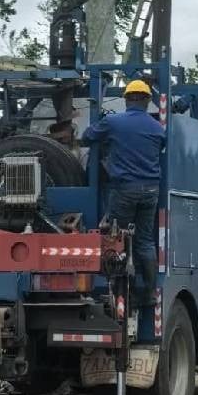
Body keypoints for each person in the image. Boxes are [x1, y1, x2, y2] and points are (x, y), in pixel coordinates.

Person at [81, 79, 164, 305]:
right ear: (147, 101)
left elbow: (87, 136)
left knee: (117, 238)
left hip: (125, 189)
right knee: (145, 241)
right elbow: (162, 146)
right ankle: (148, 293)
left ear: (126, 100)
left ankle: (117, 293)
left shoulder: (114, 122)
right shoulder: (158, 127)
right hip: (151, 191)